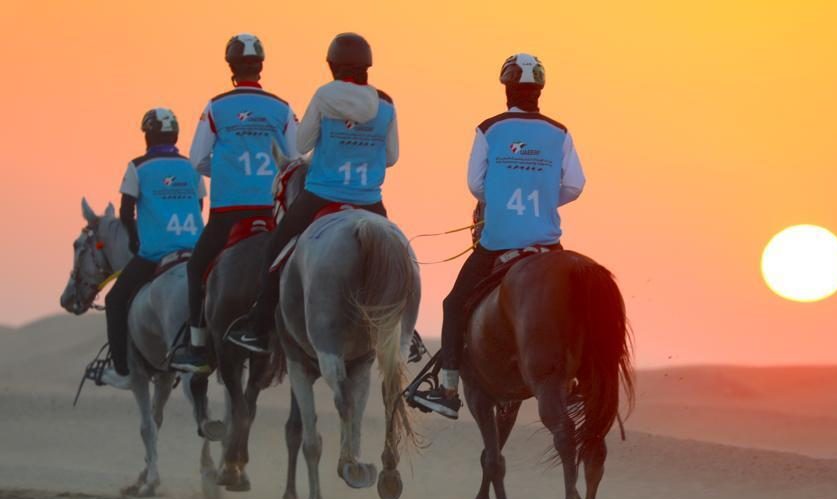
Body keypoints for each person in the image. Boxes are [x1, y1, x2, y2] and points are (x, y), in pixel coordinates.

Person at [410, 54, 586, 418]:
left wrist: (505, 196)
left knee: (454, 303)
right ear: (539, 89)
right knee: (577, 305)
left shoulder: (489, 129)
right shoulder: (559, 131)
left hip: (499, 240)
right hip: (547, 243)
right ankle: (577, 379)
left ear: (507, 89)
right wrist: (542, 198)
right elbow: (575, 185)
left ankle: (447, 388)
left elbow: (476, 184)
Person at [226, 32, 398, 353]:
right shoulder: (386, 103)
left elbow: (301, 146)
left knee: (276, 248)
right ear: (366, 67)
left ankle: (258, 325)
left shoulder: (323, 97)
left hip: (322, 193)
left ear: (332, 66)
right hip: (369, 200)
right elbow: (391, 157)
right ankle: (406, 332)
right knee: (396, 259)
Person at [171, 33, 298, 373]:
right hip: (271, 214)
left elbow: (198, 160)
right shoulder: (282, 108)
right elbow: (296, 158)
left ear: (231, 67)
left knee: (196, 268)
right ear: (260, 68)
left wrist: (226, 173)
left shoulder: (216, 107)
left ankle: (197, 346)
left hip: (228, 213)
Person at [101, 109, 206, 389]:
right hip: (196, 251)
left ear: (148, 135)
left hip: (155, 253)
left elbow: (125, 212)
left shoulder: (138, 166)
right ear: (175, 136)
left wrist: (136, 240)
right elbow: (198, 207)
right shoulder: (191, 167)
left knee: (114, 300)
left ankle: (122, 370)